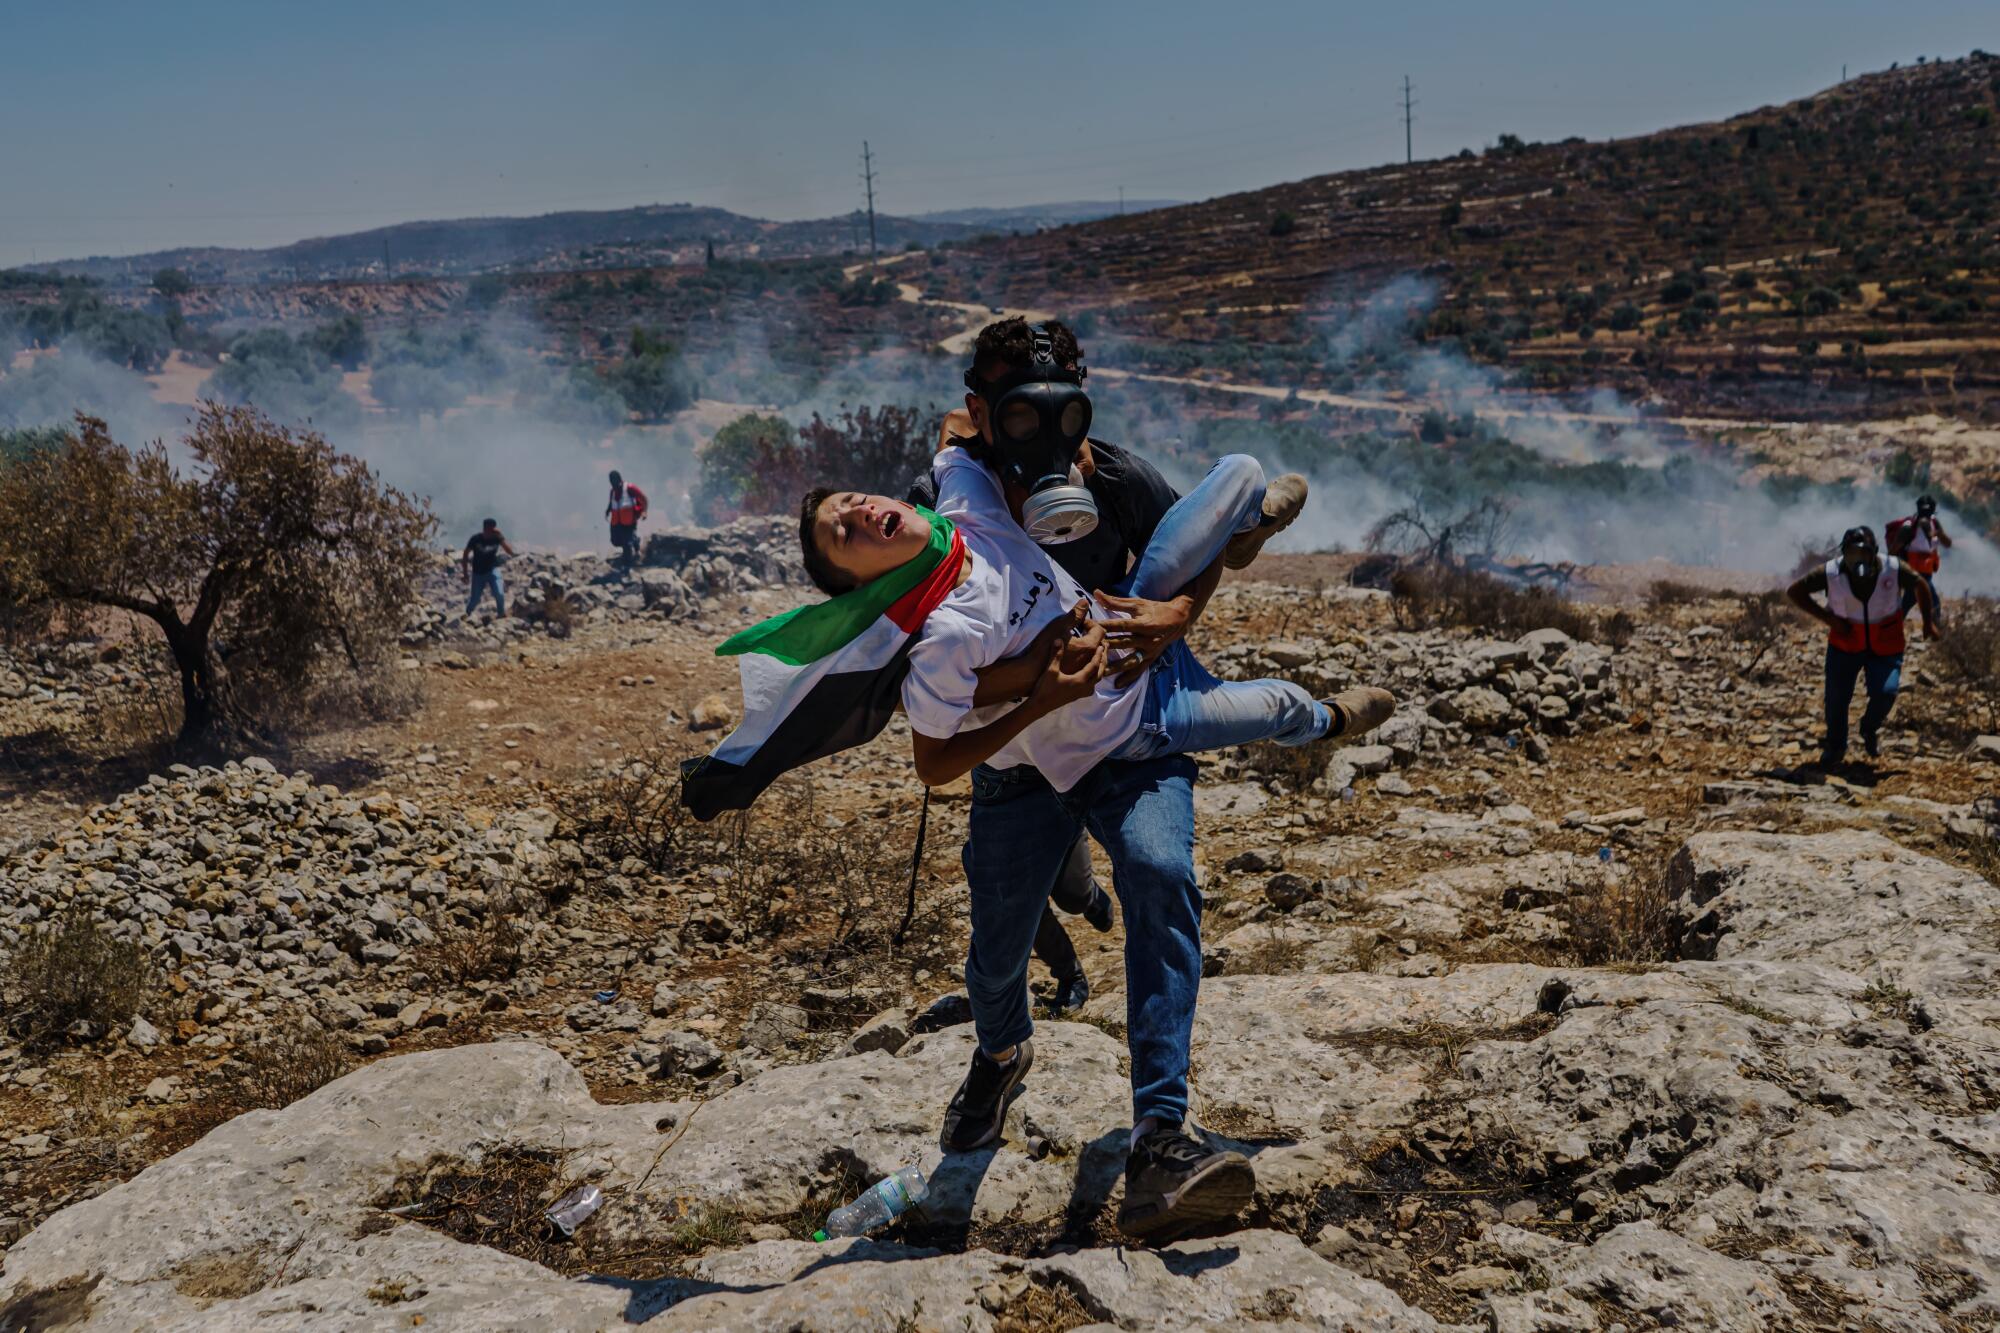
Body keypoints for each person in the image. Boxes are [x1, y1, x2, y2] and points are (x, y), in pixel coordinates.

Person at [800, 319, 1392, 1241]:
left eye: (1061, 409)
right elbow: (918, 662)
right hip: (1017, 763)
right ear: (980, 413)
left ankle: (1162, 1135)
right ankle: (1001, 1055)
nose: (1045, 434)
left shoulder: (1110, 473)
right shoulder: (933, 504)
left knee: (1160, 874)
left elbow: (1177, 565)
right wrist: (1042, 680)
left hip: (1130, 734)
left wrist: (1171, 615)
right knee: (998, 950)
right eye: (1019, 413)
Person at [1786, 525, 1938, 767]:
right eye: (1851, 553)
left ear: (1874, 552)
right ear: (1843, 552)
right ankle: (1835, 747)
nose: (1857, 559)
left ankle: (1869, 728)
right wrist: (1828, 619)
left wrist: (1928, 623)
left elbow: (1921, 585)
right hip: (1844, 645)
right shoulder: (1831, 571)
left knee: (1886, 692)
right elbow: (1795, 591)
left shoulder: (1893, 568)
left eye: (1863, 553)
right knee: (1836, 699)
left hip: (1886, 645)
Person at [1886, 494, 1951, 626]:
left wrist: (1938, 533)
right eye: (1924, 512)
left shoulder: (1934, 523)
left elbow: (1948, 543)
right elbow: (1893, 551)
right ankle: (1938, 630)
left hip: (1926, 572)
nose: (1926, 515)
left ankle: (1893, 626)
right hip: (1912, 572)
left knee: (1909, 601)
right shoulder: (1909, 527)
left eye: (1928, 512)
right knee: (1933, 600)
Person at [461, 518, 514, 616]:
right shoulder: (475, 539)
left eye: (493, 528)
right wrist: (465, 574)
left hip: (492, 570)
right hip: (478, 573)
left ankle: (501, 615)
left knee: (499, 594)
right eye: (490, 528)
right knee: (475, 599)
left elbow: (510, 551)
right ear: (485, 528)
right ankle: (467, 615)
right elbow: (465, 554)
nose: (492, 531)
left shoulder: (497, 538)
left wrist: (502, 536)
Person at [606, 470, 649, 567]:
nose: (613, 484)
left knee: (626, 543)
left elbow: (643, 498)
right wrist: (608, 510)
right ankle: (635, 540)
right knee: (615, 541)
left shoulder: (629, 488)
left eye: (614, 481)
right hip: (616, 522)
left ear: (619, 480)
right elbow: (611, 503)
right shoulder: (613, 491)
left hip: (629, 521)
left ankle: (627, 566)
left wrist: (644, 511)